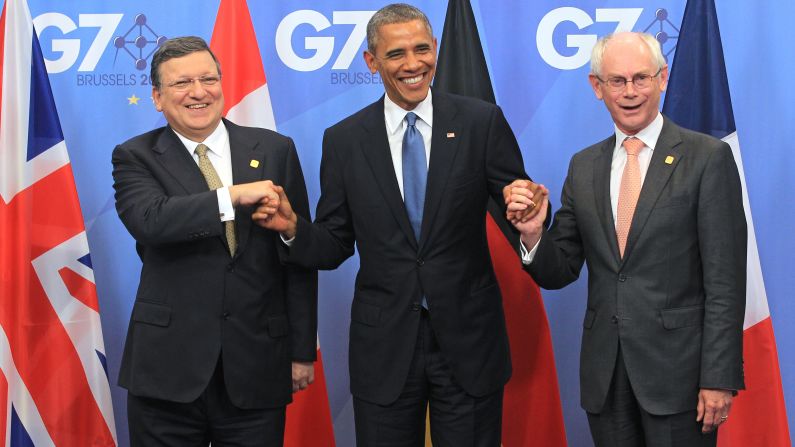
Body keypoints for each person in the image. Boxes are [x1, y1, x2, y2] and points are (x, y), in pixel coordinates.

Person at [255, 4, 542, 446]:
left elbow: (516, 200)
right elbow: (333, 244)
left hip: (468, 340)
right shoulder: (345, 139)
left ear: (436, 51)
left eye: (422, 49)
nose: (413, 64)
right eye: (396, 54)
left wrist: (523, 209)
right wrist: (293, 228)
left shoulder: (480, 121)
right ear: (372, 62)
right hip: (384, 347)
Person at [505, 31, 746, 446]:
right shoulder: (584, 166)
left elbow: (725, 282)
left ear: (662, 78)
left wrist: (719, 378)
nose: (630, 92)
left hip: (681, 380)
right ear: (597, 87)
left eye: (641, 78)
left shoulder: (707, 158)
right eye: (617, 81)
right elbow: (560, 269)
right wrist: (532, 234)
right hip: (606, 378)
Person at [111, 36, 317, 446]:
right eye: (182, 83)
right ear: (157, 97)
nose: (198, 92)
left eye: (208, 78)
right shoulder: (135, 156)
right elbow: (151, 221)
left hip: (257, 366)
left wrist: (300, 350)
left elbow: (297, 257)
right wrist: (231, 197)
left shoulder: (275, 149)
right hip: (167, 373)